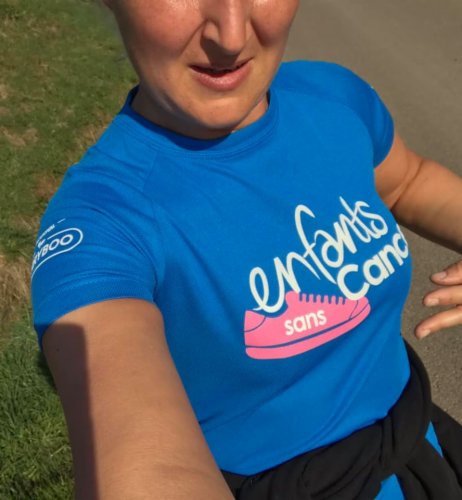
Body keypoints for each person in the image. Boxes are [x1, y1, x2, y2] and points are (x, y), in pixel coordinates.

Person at [30, 1, 462, 498]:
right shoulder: (98, 224)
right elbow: (149, 472)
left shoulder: (332, 97)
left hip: (423, 446)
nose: (231, 35)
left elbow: (407, 182)